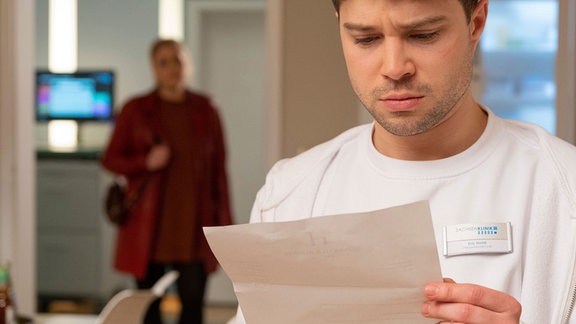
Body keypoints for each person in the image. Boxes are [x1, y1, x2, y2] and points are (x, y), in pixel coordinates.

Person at [227, 0, 576, 323]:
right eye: (366, 39)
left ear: (476, 22)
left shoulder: (564, 188)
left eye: (423, 35)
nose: (394, 68)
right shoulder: (289, 195)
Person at [101, 39, 233, 324]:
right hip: (149, 228)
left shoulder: (206, 109)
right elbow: (110, 159)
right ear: (154, 68)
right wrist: (145, 162)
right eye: (164, 61)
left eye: (178, 59)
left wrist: (225, 229)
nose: (173, 67)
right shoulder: (136, 110)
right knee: (149, 311)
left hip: (194, 228)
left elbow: (219, 173)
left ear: (188, 65)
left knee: (193, 307)